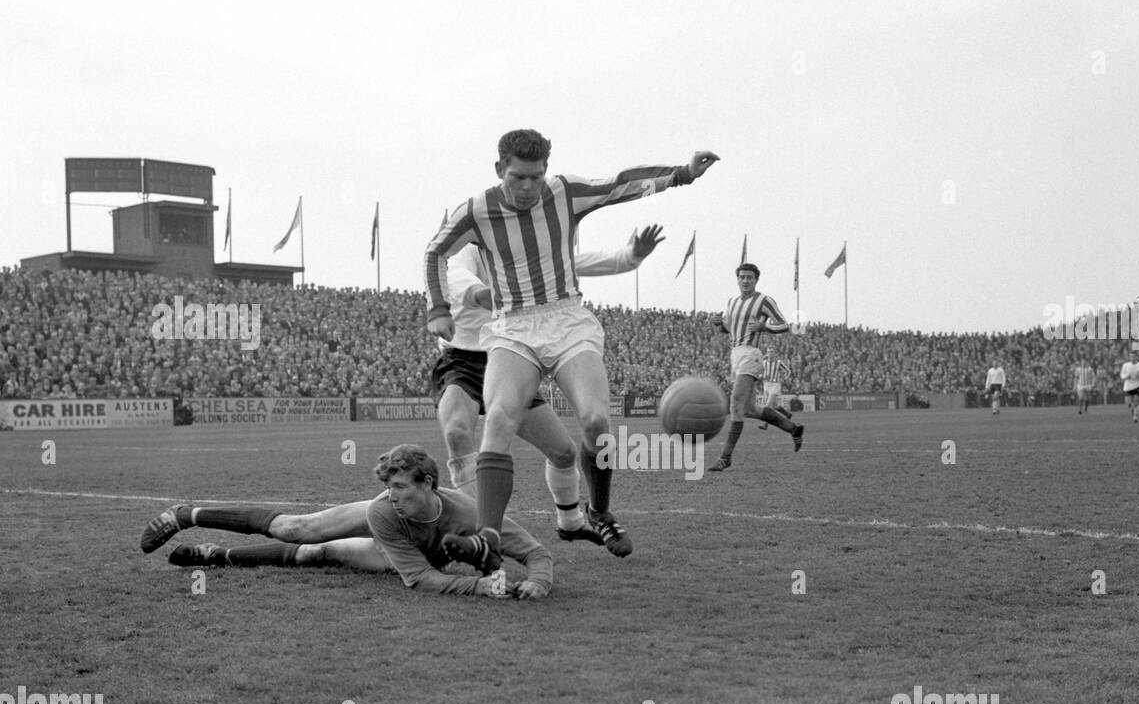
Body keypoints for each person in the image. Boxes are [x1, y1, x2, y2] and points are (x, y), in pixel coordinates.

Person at [422, 129, 719, 571]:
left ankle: (597, 511)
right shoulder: (477, 210)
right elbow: (435, 252)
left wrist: (680, 175)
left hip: (566, 319)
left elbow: (617, 184)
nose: (527, 188)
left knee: (597, 419)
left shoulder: (563, 192)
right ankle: (487, 537)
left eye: (536, 177)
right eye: (518, 177)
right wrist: (439, 309)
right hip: (512, 325)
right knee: (500, 417)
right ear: (499, 169)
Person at [435, 224, 665, 550]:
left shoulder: (529, 260)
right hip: (463, 362)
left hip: (513, 359)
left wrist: (630, 256)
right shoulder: (469, 254)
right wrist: (484, 294)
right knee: (458, 432)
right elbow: (455, 277)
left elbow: (580, 262)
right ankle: (477, 533)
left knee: (563, 452)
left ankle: (570, 523)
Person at [145, 445, 552, 599]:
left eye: (400, 487)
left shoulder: (471, 514)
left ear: (428, 484)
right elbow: (419, 580)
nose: (393, 494)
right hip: (395, 536)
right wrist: (478, 585)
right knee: (296, 530)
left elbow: (536, 553)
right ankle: (187, 515)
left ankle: (216, 555)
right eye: (388, 487)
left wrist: (537, 582)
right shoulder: (384, 509)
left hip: (408, 550)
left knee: (318, 554)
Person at [706, 264, 804, 471]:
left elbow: (784, 324)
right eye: (742, 277)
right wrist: (718, 323)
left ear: (756, 280)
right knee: (750, 409)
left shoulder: (763, 300)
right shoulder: (732, 302)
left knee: (735, 405)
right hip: (735, 354)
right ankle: (793, 429)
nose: (745, 280)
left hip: (751, 353)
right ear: (737, 279)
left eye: (749, 277)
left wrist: (764, 326)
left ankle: (725, 457)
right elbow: (728, 329)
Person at [756, 349, 793, 429]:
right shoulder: (764, 363)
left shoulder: (778, 363)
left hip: (775, 385)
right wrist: (761, 376)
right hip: (766, 385)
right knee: (774, 406)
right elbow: (758, 373)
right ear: (767, 353)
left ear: (775, 354)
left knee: (768, 406)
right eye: (769, 352)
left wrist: (784, 379)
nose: (770, 353)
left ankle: (765, 425)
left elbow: (788, 371)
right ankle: (787, 414)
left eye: (772, 352)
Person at [1120, 354, 1139, 422]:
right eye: (1131, 356)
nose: (1133, 358)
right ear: (1129, 357)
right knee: (1128, 403)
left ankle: (1135, 417)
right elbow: (1122, 375)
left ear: (1137, 357)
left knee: (1136, 401)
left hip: (1137, 386)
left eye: (1134, 356)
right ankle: (1135, 411)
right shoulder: (1126, 365)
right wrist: (1126, 376)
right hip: (1127, 386)